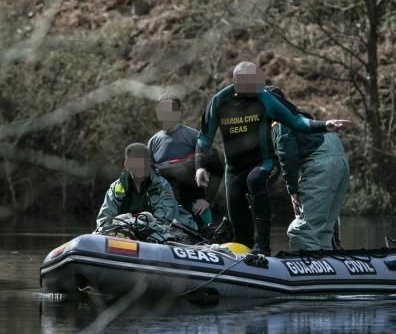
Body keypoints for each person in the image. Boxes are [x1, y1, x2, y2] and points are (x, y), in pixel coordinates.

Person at [194, 61, 352, 254]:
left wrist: (323, 124)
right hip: (234, 170)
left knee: (255, 180)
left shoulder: (265, 99)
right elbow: (204, 138)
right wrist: (200, 166)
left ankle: (263, 247)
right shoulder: (219, 102)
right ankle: (244, 252)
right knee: (236, 208)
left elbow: (295, 123)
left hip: (265, 163)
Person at [269, 86, 350, 251]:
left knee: (302, 231)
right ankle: (330, 262)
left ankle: (310, 271)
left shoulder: (279, 121)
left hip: (322, 162)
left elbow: (287, 155)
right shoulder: (300, 116)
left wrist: (292, 188)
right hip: (339, 158)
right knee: (323, 230)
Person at [148, 96, 224, 233]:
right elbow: (149, 177)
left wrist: (207, 200)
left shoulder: (194, 137)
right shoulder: (153, 142)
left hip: (194, 208)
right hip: (165, 209)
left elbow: (218, 168)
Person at [96, 142, 179, 231]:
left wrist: (136, 223)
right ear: (127, 164)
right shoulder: (116, 188)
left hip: (154, 234)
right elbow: (103, 220)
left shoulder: (162, 186)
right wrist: (118, 223)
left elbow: (165, 223)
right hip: (123, 233)